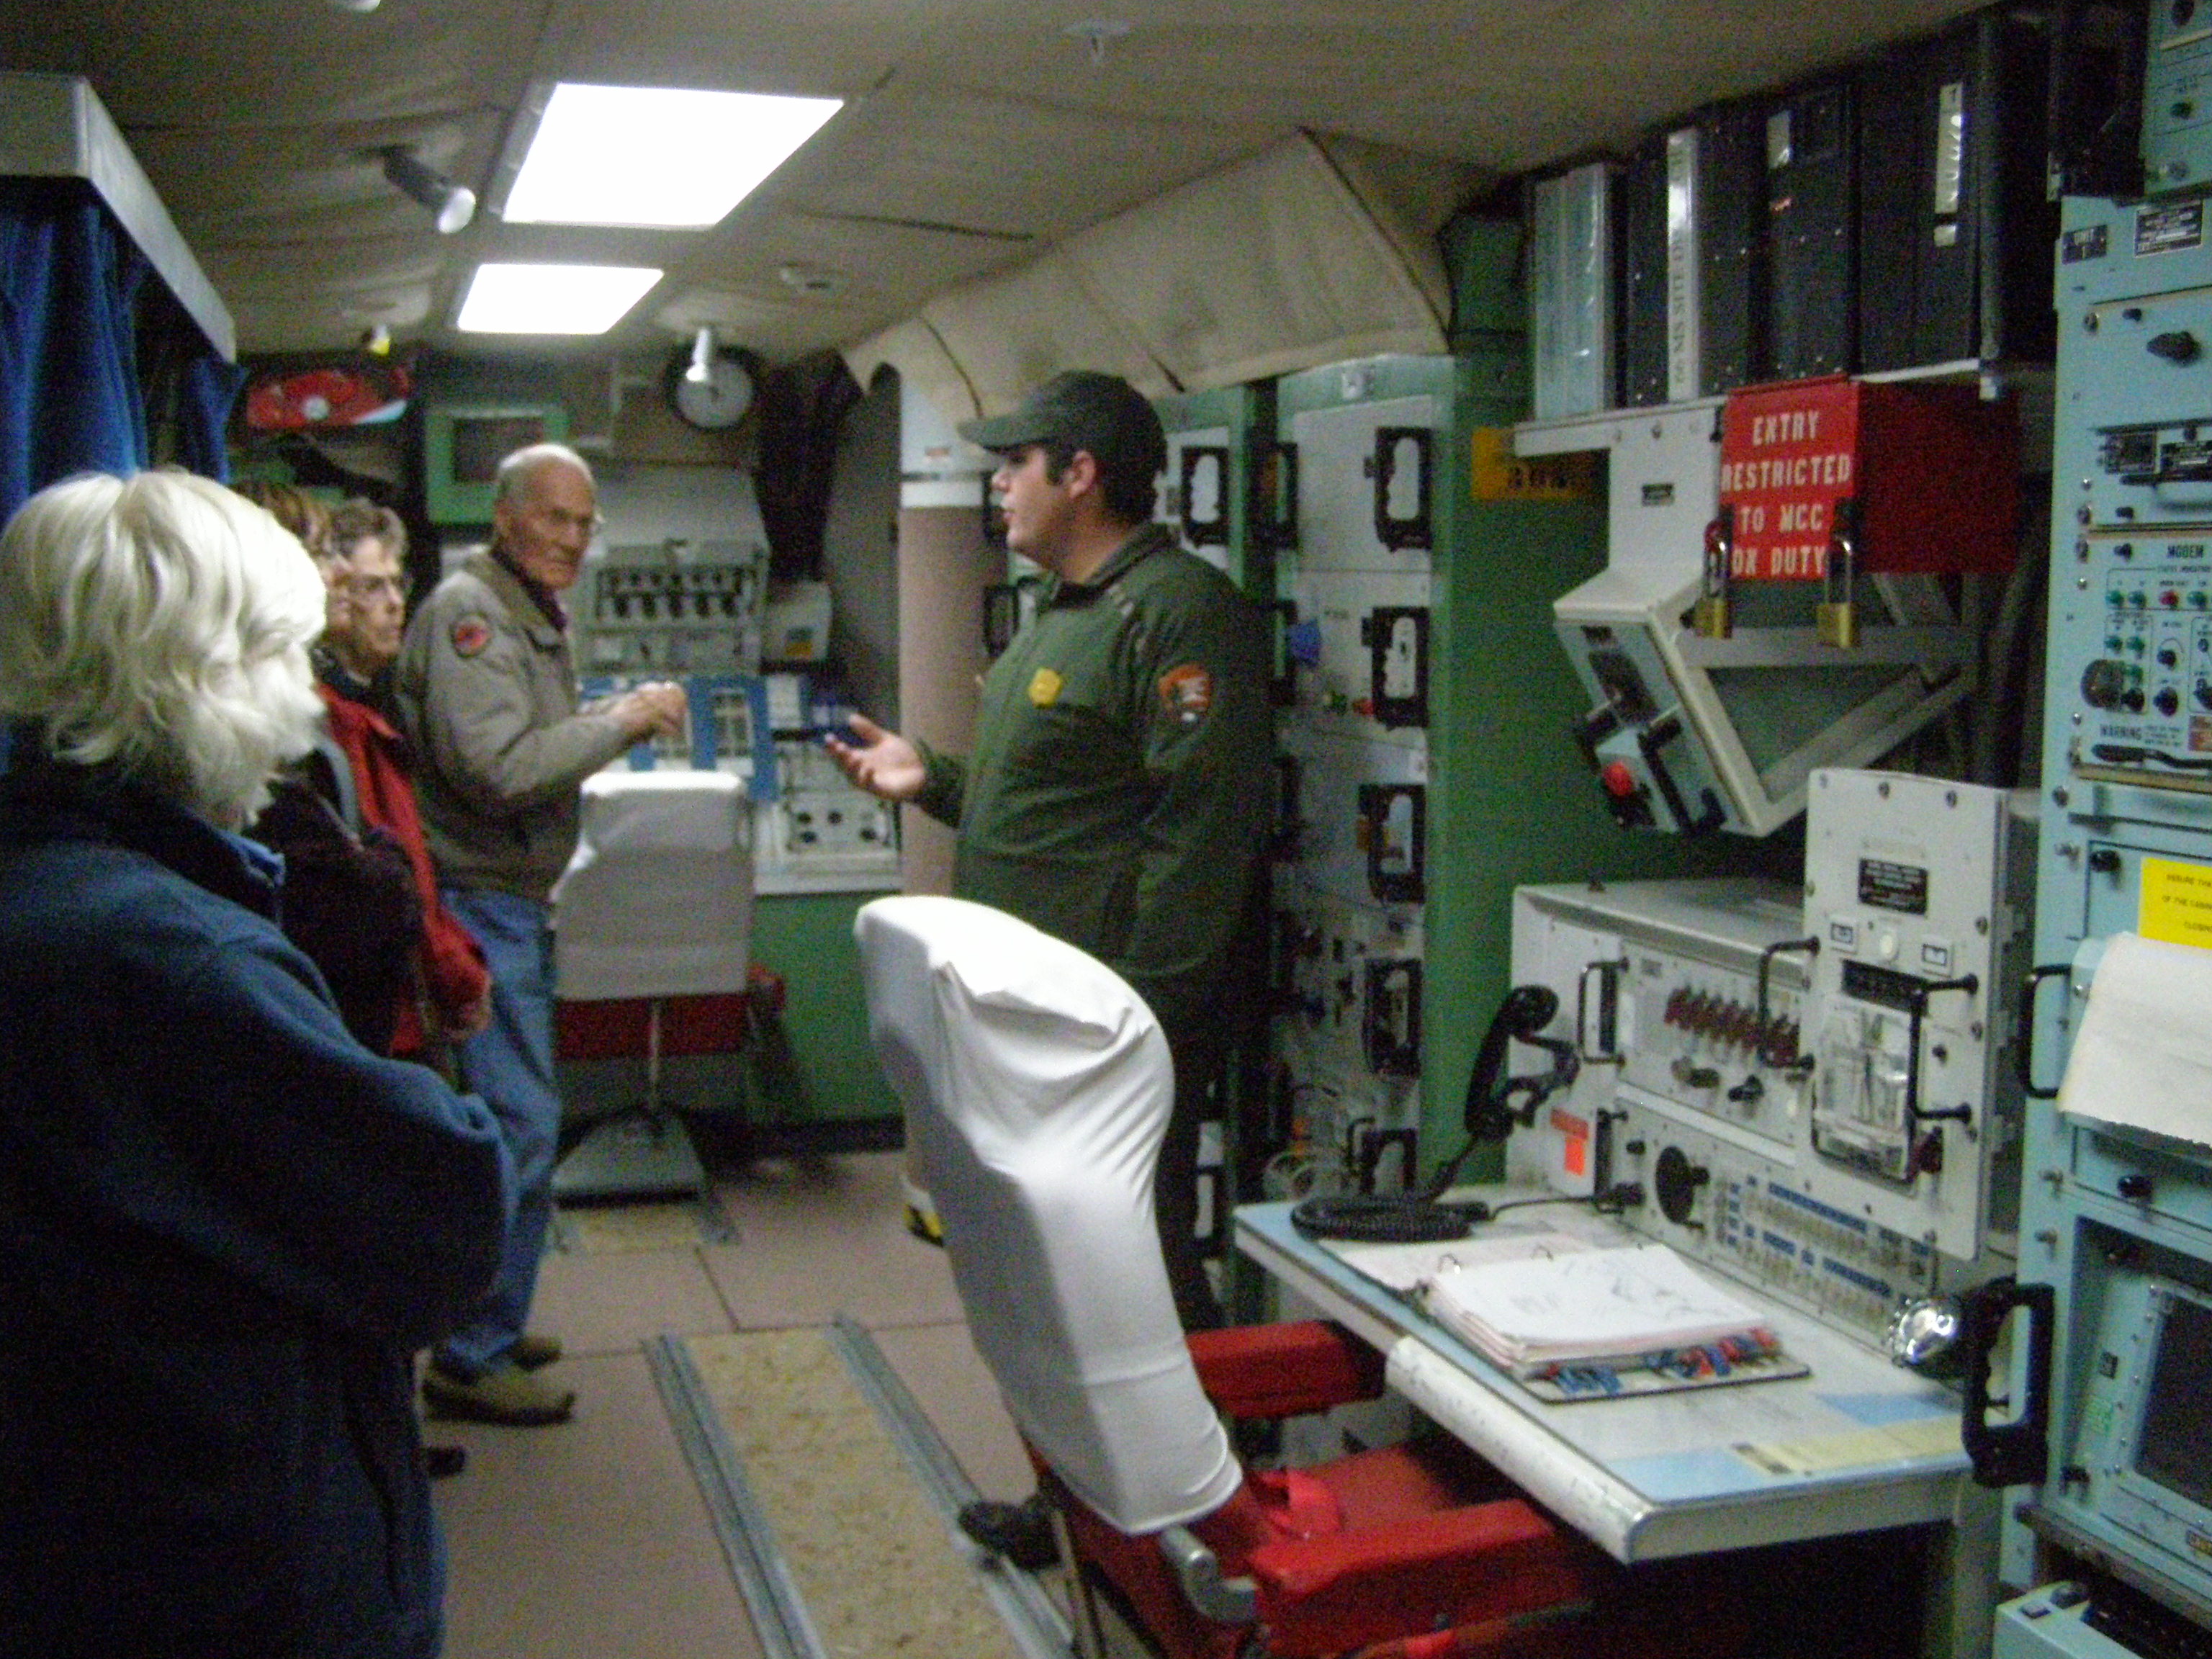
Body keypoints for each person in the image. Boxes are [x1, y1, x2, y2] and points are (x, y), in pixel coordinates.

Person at [0, 469, 513, 1659]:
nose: (303, 697)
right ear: (209, 679)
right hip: (215, 1551)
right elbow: (444, 1221)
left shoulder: (52, 889)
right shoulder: (181, 956)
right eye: (286, 657)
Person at [826, 370, 1273, 1560]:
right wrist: (935, 778)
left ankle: (1219, 1526)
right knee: (1050, 1288)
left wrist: (1155, 1014)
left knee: (1140, 1278)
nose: (996, 482)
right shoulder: (1060, 612)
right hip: (1037, 1025)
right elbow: (1051, 811)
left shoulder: (1179, 613)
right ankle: (1084, 1504)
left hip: (1114, 1027)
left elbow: (1202, 824)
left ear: (1082, 473)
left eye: (1014, 462)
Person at [395, 443, 687, 1426]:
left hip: (510, 901)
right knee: (513, 1129)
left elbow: (520, 744)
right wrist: (626, 723)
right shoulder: (473, 618)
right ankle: (470, 1357)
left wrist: (612, 714)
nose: (571, 537)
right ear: (506, 515)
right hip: (482, 905)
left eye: (584, 521)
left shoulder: (524, 616)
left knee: (521, 1119)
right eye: (554, 517)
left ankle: (495, 1319)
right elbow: (499, 770)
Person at [321, 498, 493, 1064]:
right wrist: (456, 973)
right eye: (373, 587)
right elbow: (388, 882)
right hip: (374, 1016)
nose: (396, 605)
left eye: (398, 584)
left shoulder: (368, 709)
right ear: (328, 595)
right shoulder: (334, 725)